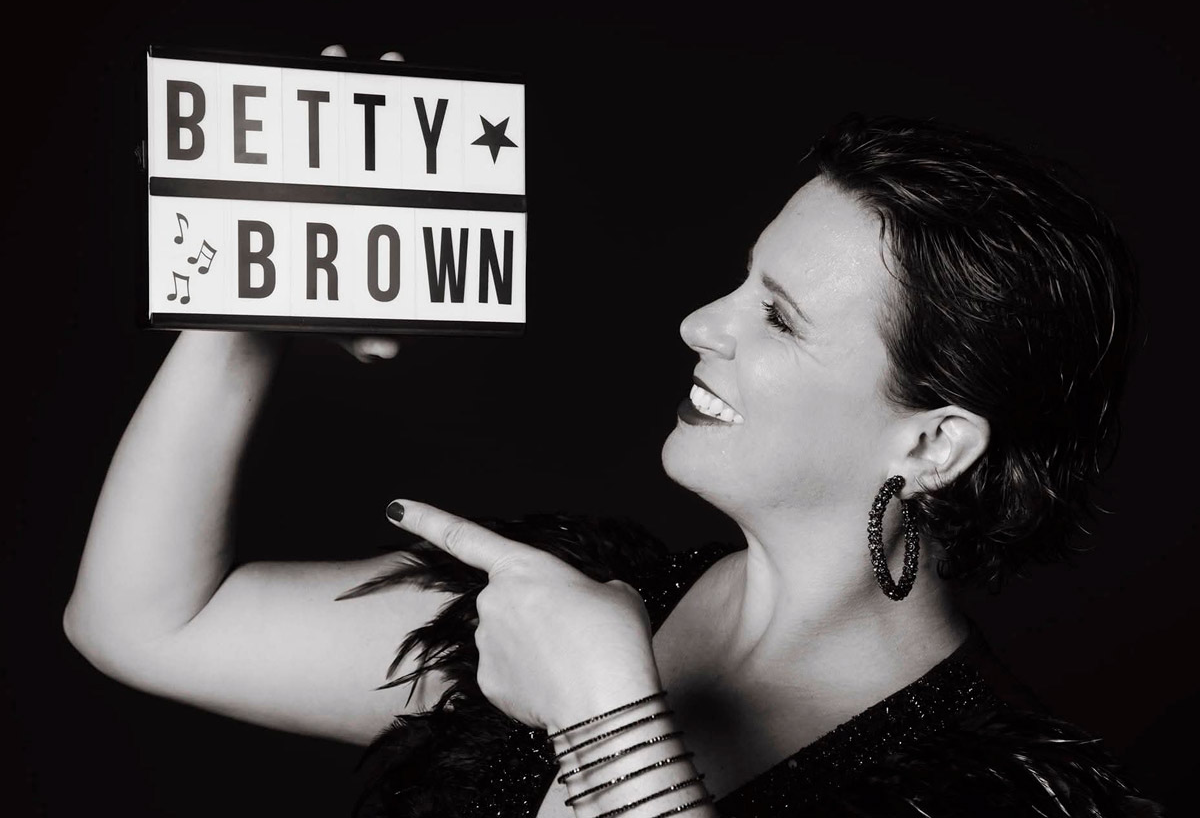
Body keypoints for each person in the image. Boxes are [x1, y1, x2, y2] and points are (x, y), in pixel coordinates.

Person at [63, 46, 1155, 817]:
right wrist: (248, 299)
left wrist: (602, 711)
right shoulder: (572, 595)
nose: (700, 324)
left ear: (932, 445)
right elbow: (149, 621)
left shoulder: (997, 791)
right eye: (743, 280)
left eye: (778, 317)